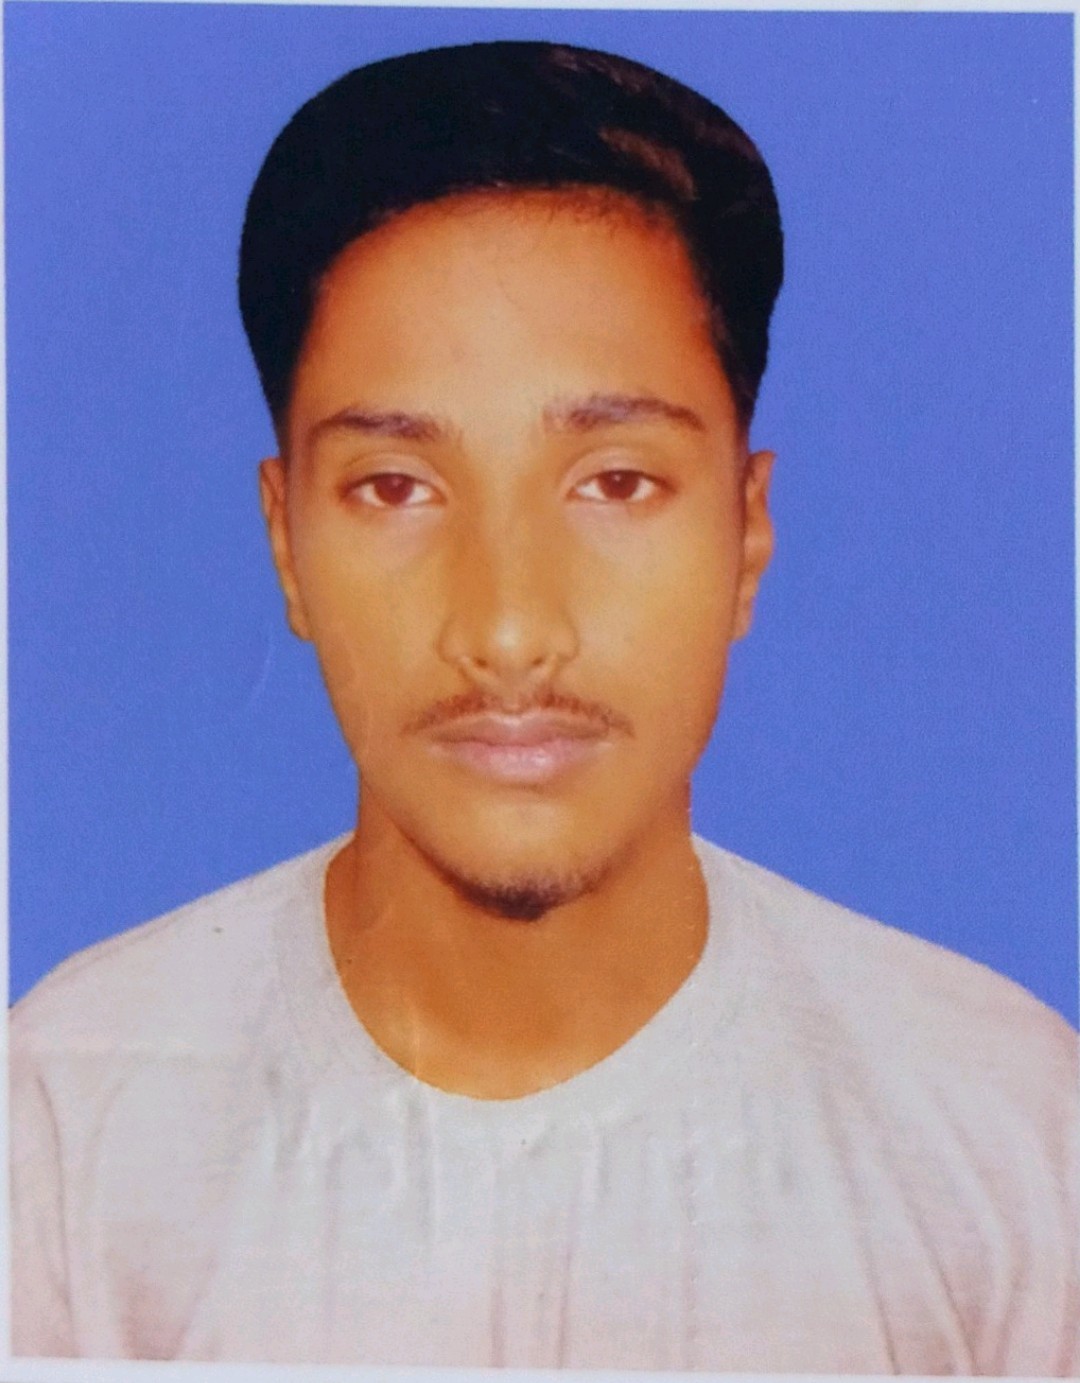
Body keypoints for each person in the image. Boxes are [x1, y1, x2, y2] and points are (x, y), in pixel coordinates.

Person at [10, 40, 1077, 1372]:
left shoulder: (1010, 1139)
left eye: (615, 483)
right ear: (286, 545)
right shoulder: (67, 1122)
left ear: (748, 533)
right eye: (396, 488)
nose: (509, 632)